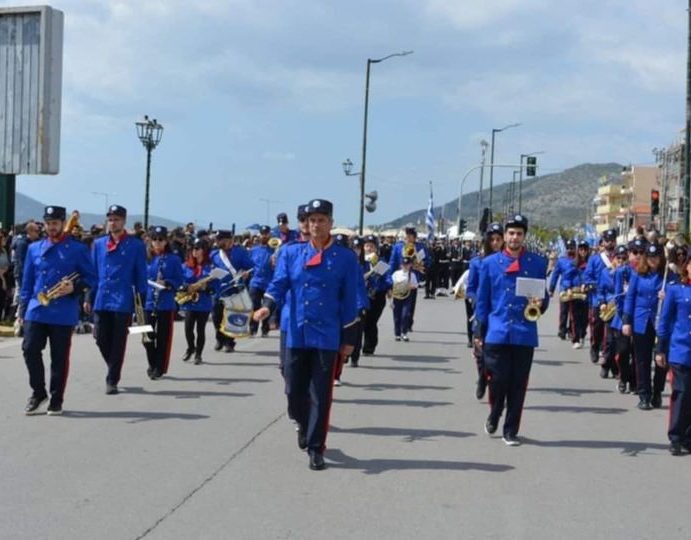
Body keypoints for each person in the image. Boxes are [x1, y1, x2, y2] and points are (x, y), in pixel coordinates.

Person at [253, 198, 360, 471]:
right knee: (292, 389)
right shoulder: (291, 253)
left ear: (331, 223)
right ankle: (301, 420)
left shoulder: (345, 258)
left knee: (321, 394)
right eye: (312, 220)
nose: (316, 225)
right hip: (298, 331)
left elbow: (351, 299)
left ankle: (316, 447)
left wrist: (349, 340)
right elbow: (279, 284)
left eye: (321, 220)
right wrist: (267, 306)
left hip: (326, 334)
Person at [474, 214, 549, 446]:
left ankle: (510, 430)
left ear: (524, 236)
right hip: (497, 331)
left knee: (518, 384)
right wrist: (478, 332)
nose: (514, 237)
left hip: (524, 332)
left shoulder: (537, 263)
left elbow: (543, 297)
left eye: (519, 233)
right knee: (498, 380)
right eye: (511, 233)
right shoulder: (489, 264)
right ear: (504, 236)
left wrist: (540, 303)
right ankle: (495, 412)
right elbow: (483, 301)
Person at [18, 206, 96, 414]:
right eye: (48, 223)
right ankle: (38, 392)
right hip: (37, 307)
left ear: (62, 223)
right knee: (29, 348)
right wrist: (21, 312)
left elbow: (91, 278)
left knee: (59, 357)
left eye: (55, 223)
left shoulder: (77, 249)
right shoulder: (34, 248)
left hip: (63, 310)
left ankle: (56, 399)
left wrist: (75, 287)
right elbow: (27, 282)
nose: (51, 227)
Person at [86, 205, 148, 395]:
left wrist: (140, 302)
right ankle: (113, 365)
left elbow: (140, 274)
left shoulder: (136, 245)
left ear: (124, 221)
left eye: (117, 219)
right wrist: (88, 296)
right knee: (100, 338)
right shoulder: (98, 244)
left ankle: (112, 379)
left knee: (118, 341)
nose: (113, 223)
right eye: (110, 219)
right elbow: (92, 273)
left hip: (123, 299)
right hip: (102, 297)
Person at [655, 249, 691, 455]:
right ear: (686, 266)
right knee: (682, 393)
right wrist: (661, 349)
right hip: (681, 350)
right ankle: (676, 436)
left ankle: (688, 436)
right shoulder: (676, 290)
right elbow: (665, 321)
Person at [623, 243, 667, 410]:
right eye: (650, 257)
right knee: (642, 360)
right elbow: (630, 298)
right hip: (641, 321)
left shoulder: (666, 277)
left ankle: (657, 392)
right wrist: (627, 321)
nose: (653, 260)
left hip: (661, 322)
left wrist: (667, 295)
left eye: (656, 257)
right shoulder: (637, 275)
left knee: (662, 361)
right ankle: (644, 395)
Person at [465, 222, 504, 399]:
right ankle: (482, 377)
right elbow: (471, 288)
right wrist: (475, 300)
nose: (495, 243)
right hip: (482, 312)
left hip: (499, 312)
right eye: (492, 239)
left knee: (498, 353)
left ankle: (496, 385)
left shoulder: (507, 262)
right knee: (480, 351)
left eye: (498, 239)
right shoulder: (476, 262)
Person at [143, 226, 183, 379]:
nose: (157, 243)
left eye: (161, 239)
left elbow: (179, 280)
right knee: (145, 335)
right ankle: (152, 362)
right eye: (154, 239)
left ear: (166, 241)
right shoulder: (146, 258)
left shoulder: (174, 259)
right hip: (147, 302)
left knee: (163, 337)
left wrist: (167, 283)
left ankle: (159, 367)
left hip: (165, 303)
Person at [210, 230, 253, 352]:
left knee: (231, 315)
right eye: (217, 239)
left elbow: (251, 266)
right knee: (216, 316)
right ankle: (219, 338)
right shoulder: (214, 254)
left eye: (220, 239)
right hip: (218, 289)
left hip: (234, 288)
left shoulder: (240, 252)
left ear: (228, 240)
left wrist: (246, 273)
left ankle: (229, 342)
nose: (217, 242)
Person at [583, 229, 618, 365]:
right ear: (603, 242)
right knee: (596, 326)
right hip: (597, 298)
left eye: (612, 241)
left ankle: (607, 354)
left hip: (614, 299)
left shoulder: (619, 258)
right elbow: (587, 276)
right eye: (607, 241)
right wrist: (594, 285)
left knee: (611, 331)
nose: (610, 243)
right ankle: (594, 346)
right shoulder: (595, 259)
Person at [179, 238, 215, 364]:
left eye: (197, 248)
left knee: (200, 329)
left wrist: (207, 287)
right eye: (192, 248)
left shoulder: (210, 267)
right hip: (189, 301)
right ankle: (190, 348)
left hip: (204, 302)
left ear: (204, 250)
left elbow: (216, 285)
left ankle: (198, 354)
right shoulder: (185, 265)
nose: (194, 251)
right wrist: (185, 286)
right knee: (188, 328)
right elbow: (180, 280)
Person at [389, 227, 430, 331]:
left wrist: (422, 263)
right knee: (398, 302)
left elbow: (428, 260)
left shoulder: (420, 246)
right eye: (406, 235)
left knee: (410, 303)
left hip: (413, 277)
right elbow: (393, 262)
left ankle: (408, 322)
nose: (407, 238)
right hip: (400, 278)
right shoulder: (398, 246)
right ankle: (399, 324)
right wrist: (390, 278)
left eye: (410, 236)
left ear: (414, 237)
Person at [361, 234, 391, 356]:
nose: (369, 248)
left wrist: (388, 287)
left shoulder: (381, 261)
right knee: (361, 322)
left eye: (372, 246)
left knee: (371, 322)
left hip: (377, 296)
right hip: (363, 294)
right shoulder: (360, 261)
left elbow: (388, 277)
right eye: (367, 246)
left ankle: (369, 347)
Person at [248, 225, 274, 337]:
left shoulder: (274, 250)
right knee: (254, 305)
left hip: (269, 282)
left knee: (267, 306)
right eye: (263, 233)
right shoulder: (254, 250)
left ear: (270, 234)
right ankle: (252, 328)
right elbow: (248, 264)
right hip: (256, 282)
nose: (264, 235)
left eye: (266, 233)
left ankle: (265, 328)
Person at [390, 256, 419, 341]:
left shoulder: (412, 275)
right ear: (401, 265)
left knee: (405, 315)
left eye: (407, 264)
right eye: (404, 264)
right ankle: (397, 334)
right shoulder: (396, 274)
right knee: (397, 316)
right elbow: (391, 284)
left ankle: (404, 333)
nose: (405, 266)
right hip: (397, 297)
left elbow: (416, 285)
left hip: (407, 296)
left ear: (410, 265)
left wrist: (410, 286)